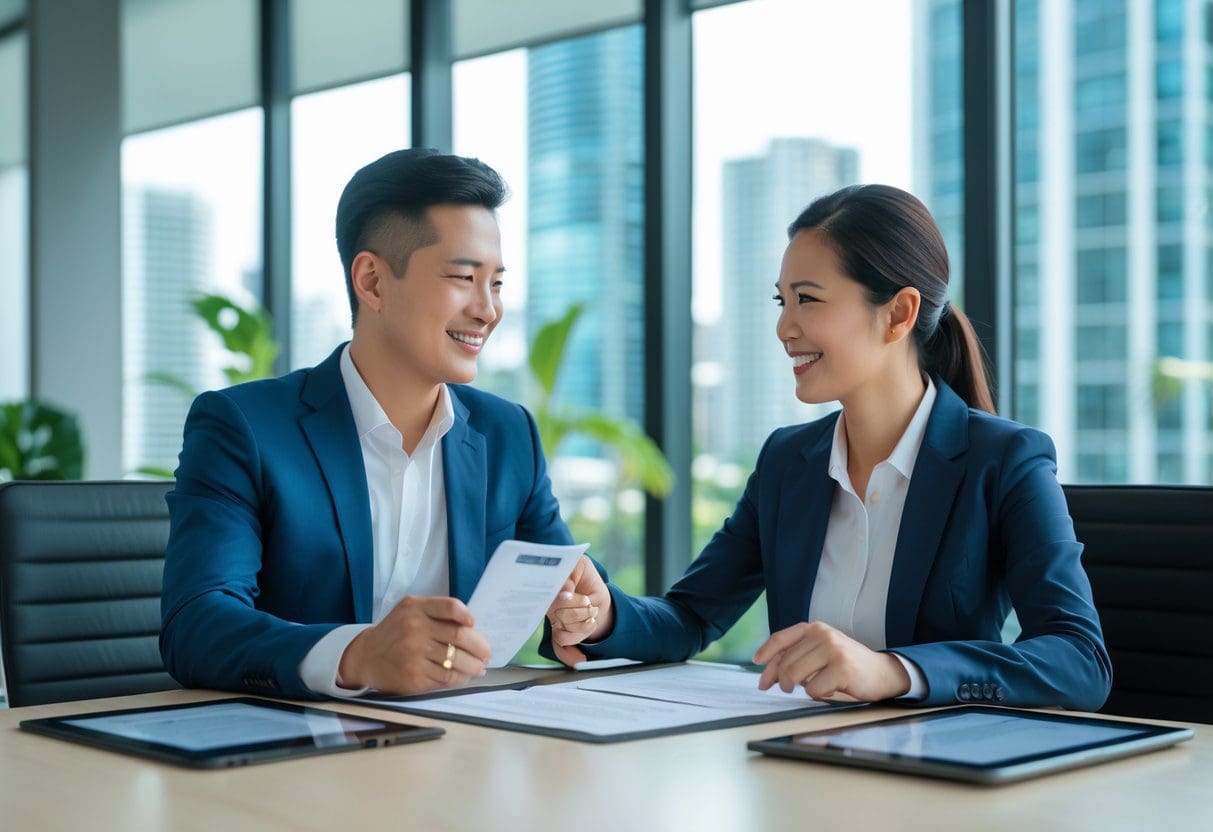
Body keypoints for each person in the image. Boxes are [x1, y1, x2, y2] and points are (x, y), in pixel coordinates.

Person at [544, 184, 1112, 711]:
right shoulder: (788, 462)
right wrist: (605, 615)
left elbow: (1079, 660)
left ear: (898, 313)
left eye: (808, 300)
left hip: (935, 769)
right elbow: (692, 615)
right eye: (782, 302)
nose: (784, 328)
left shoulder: (1004, 460)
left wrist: (893, 671)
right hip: (801, 754)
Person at [161, 148, 585, 699]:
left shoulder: (508, 435)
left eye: (497, 283)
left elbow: (579, 592)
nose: (488, 310)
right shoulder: (245, 427)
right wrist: (358, 655)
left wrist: (591, 618)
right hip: (298, 741)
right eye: (464, 277)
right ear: (373, 282)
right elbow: (197, 624)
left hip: (463, 737)